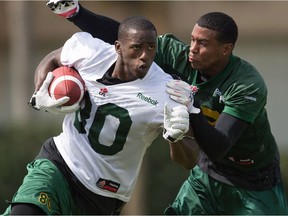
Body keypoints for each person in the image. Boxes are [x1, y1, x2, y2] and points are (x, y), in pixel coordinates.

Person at [44, 0, 288, 215]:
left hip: (254, 182)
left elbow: (219, 147)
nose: (192, 48)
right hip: (208, 176)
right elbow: (126, 38)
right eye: (192, 39)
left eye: (202, 43)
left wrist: (191, 107)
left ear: (225, 49)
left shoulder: (246, 84)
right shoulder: (180, 56)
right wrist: (77, 13)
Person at [3, 16, 197, 215]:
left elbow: (189, 160)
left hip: (104, 193)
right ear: (118, 47)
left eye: (151, 47)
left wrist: (177, 137)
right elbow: (52, 58)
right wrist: (41, 90)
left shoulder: (167, 92)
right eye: (137, 47)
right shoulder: (90, 53)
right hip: (60, 161)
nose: (145, 55)